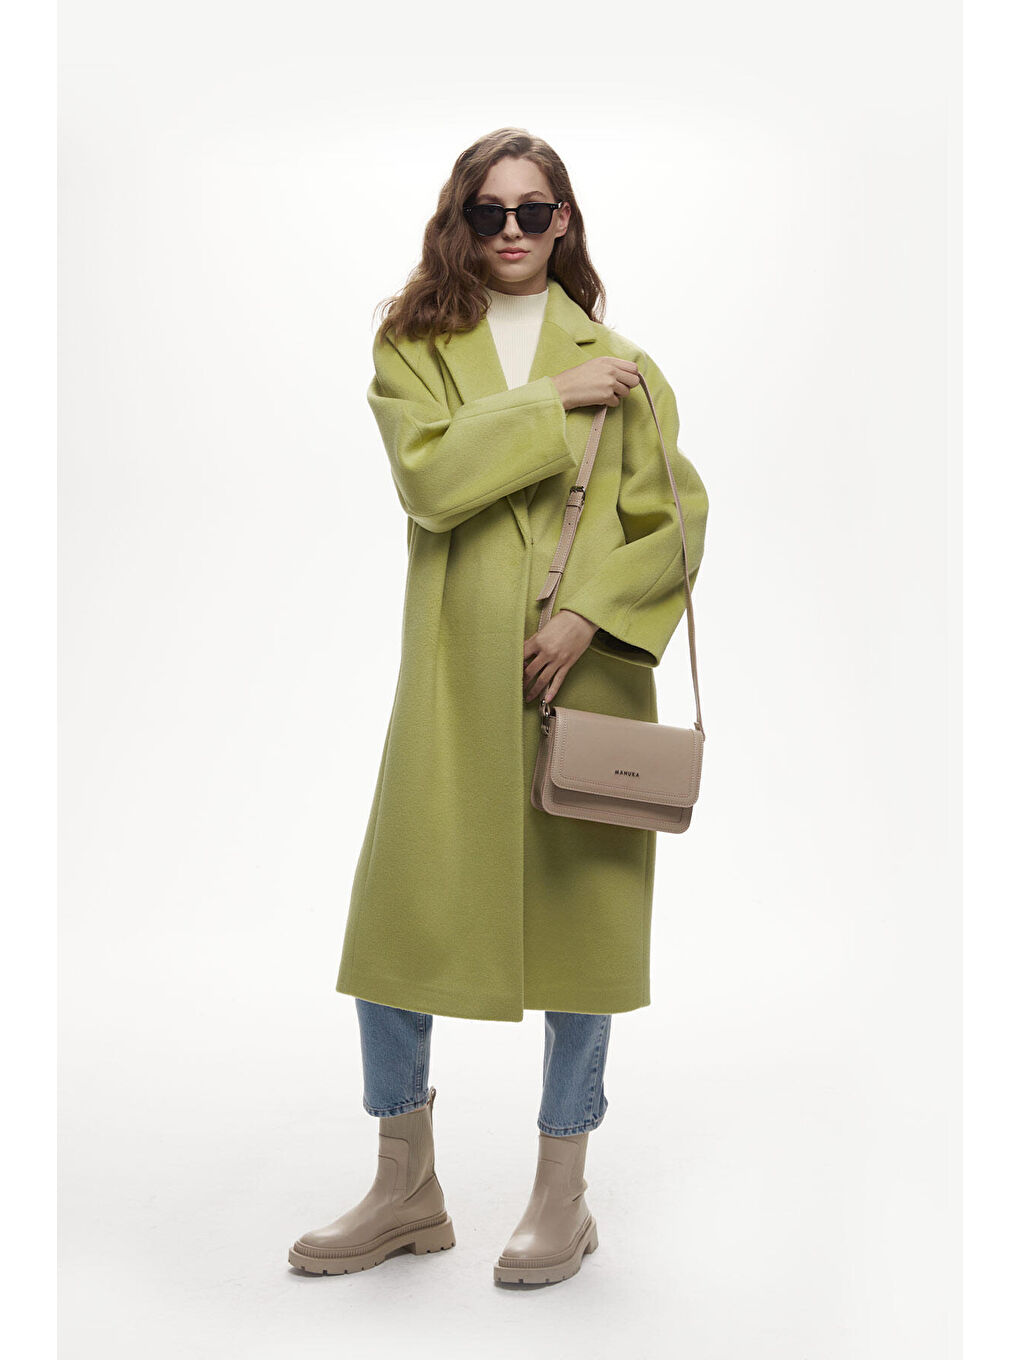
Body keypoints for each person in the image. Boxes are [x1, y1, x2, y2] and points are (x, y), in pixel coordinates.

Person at [288, 127, 710, 1287]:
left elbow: (675, 518)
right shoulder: (415, 346)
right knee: (398, 925)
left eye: (534, 210)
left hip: (590, 683)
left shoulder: (625, 364)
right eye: (491, 212)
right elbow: (429, 479)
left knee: (584, 933)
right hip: (454, 677)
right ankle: (404, 1186)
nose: (513, 230)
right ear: (460, 221)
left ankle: (561, 1194)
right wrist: (549, 402)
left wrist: (588, 618)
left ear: (564, 220)